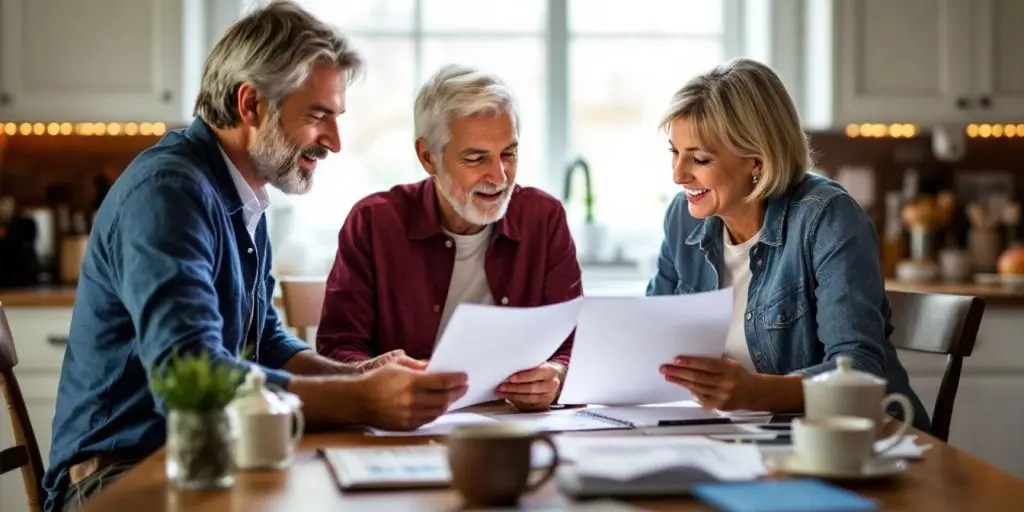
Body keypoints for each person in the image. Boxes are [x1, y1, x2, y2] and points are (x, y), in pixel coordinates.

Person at [44, 3, 467, 510]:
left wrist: (358, 376)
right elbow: (189, 378)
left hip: (198, 457)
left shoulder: (240, 194)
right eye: (318, 116)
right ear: (251, 105)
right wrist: (365, 400)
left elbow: (262, 339)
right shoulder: (169, 192)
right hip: (116, 479)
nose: (333, 140)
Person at [648, 58, 929, 430]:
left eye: (699, 158)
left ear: (757, 161)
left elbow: (859, 369)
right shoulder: (682, 218)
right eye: (675, 152)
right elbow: (651, 338)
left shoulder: (827, 218)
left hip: (858, 440)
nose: (678, 175)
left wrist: (754, 392)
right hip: (743, 434)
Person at [317, 64, 582, 412]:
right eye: (476, 158)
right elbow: (339, 345)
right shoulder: (373, 222)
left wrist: (557, 374)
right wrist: (372, 373)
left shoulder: (543, 217)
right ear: (428, 157)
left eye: (509, 154)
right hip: (409, 421)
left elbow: (573, 338)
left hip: (516, 423)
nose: (500, 176)